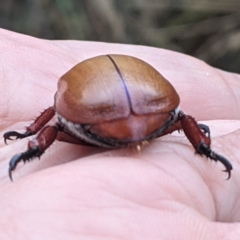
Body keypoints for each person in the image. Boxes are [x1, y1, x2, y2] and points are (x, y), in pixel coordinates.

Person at [0, 28, 240, 240]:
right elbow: (183, 118)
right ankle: (202, 146)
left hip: (101, 119)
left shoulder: (66, 102)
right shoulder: (168, 114)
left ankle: (34, 146)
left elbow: (54, 117)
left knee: (57, 129)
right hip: (152, 113)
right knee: (181, 119)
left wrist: (32, 133)